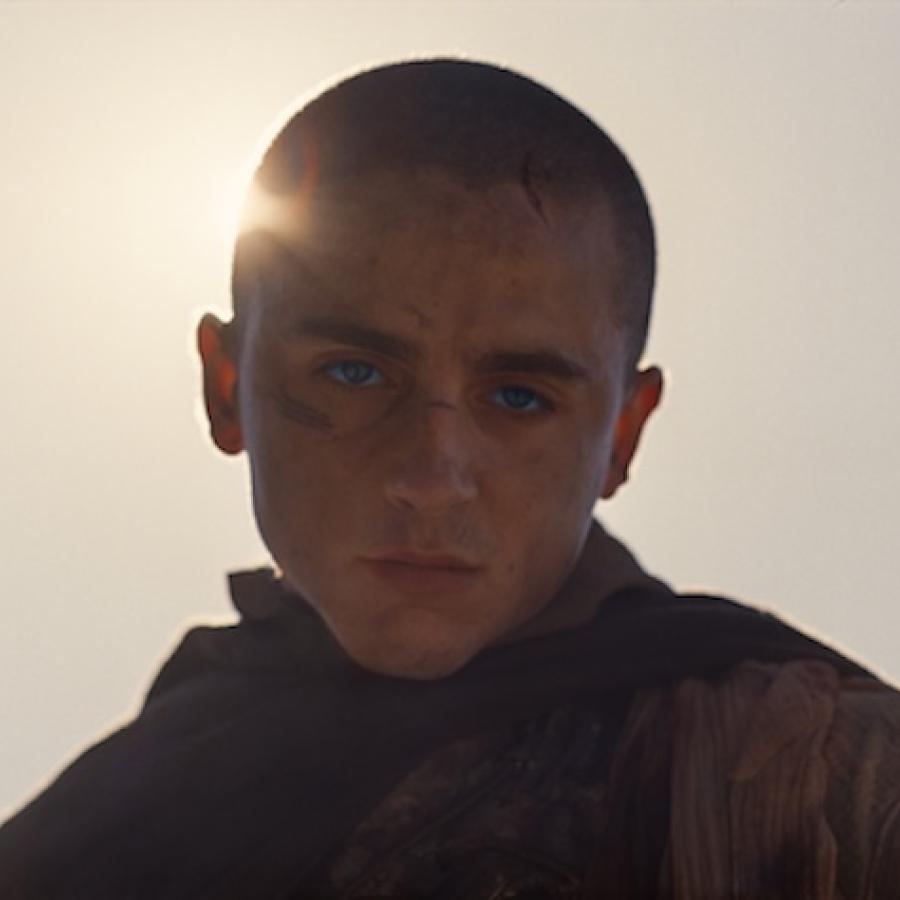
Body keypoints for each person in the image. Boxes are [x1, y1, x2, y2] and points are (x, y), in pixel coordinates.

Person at [0, 58, 898, 899]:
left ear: (622, 435)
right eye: (354, 372)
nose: (432, 479)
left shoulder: (803, 772)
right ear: (226, 387)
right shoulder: (120, 805)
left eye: (519, 396)